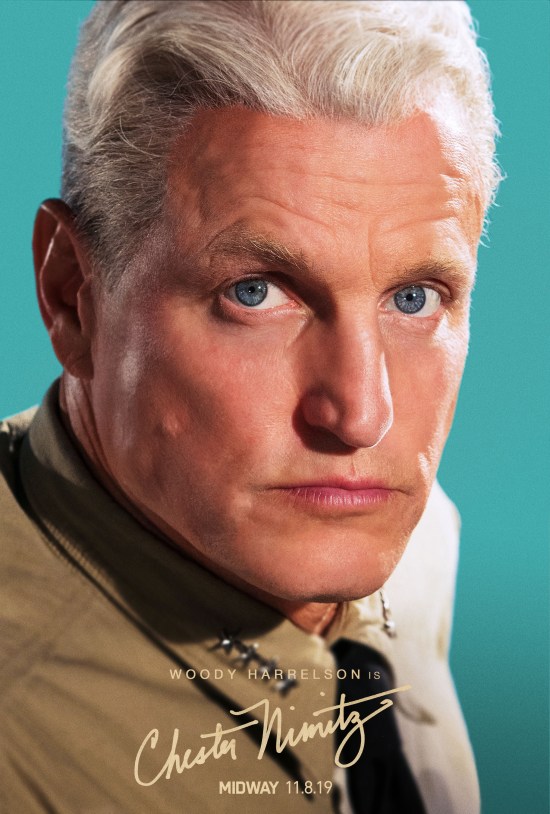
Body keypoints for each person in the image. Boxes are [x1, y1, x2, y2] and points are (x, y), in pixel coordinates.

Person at [0, 1, 501, 812]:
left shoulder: (397, 538)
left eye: (413, 297)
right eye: (256, 292)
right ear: (71, 297)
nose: (361, 415)